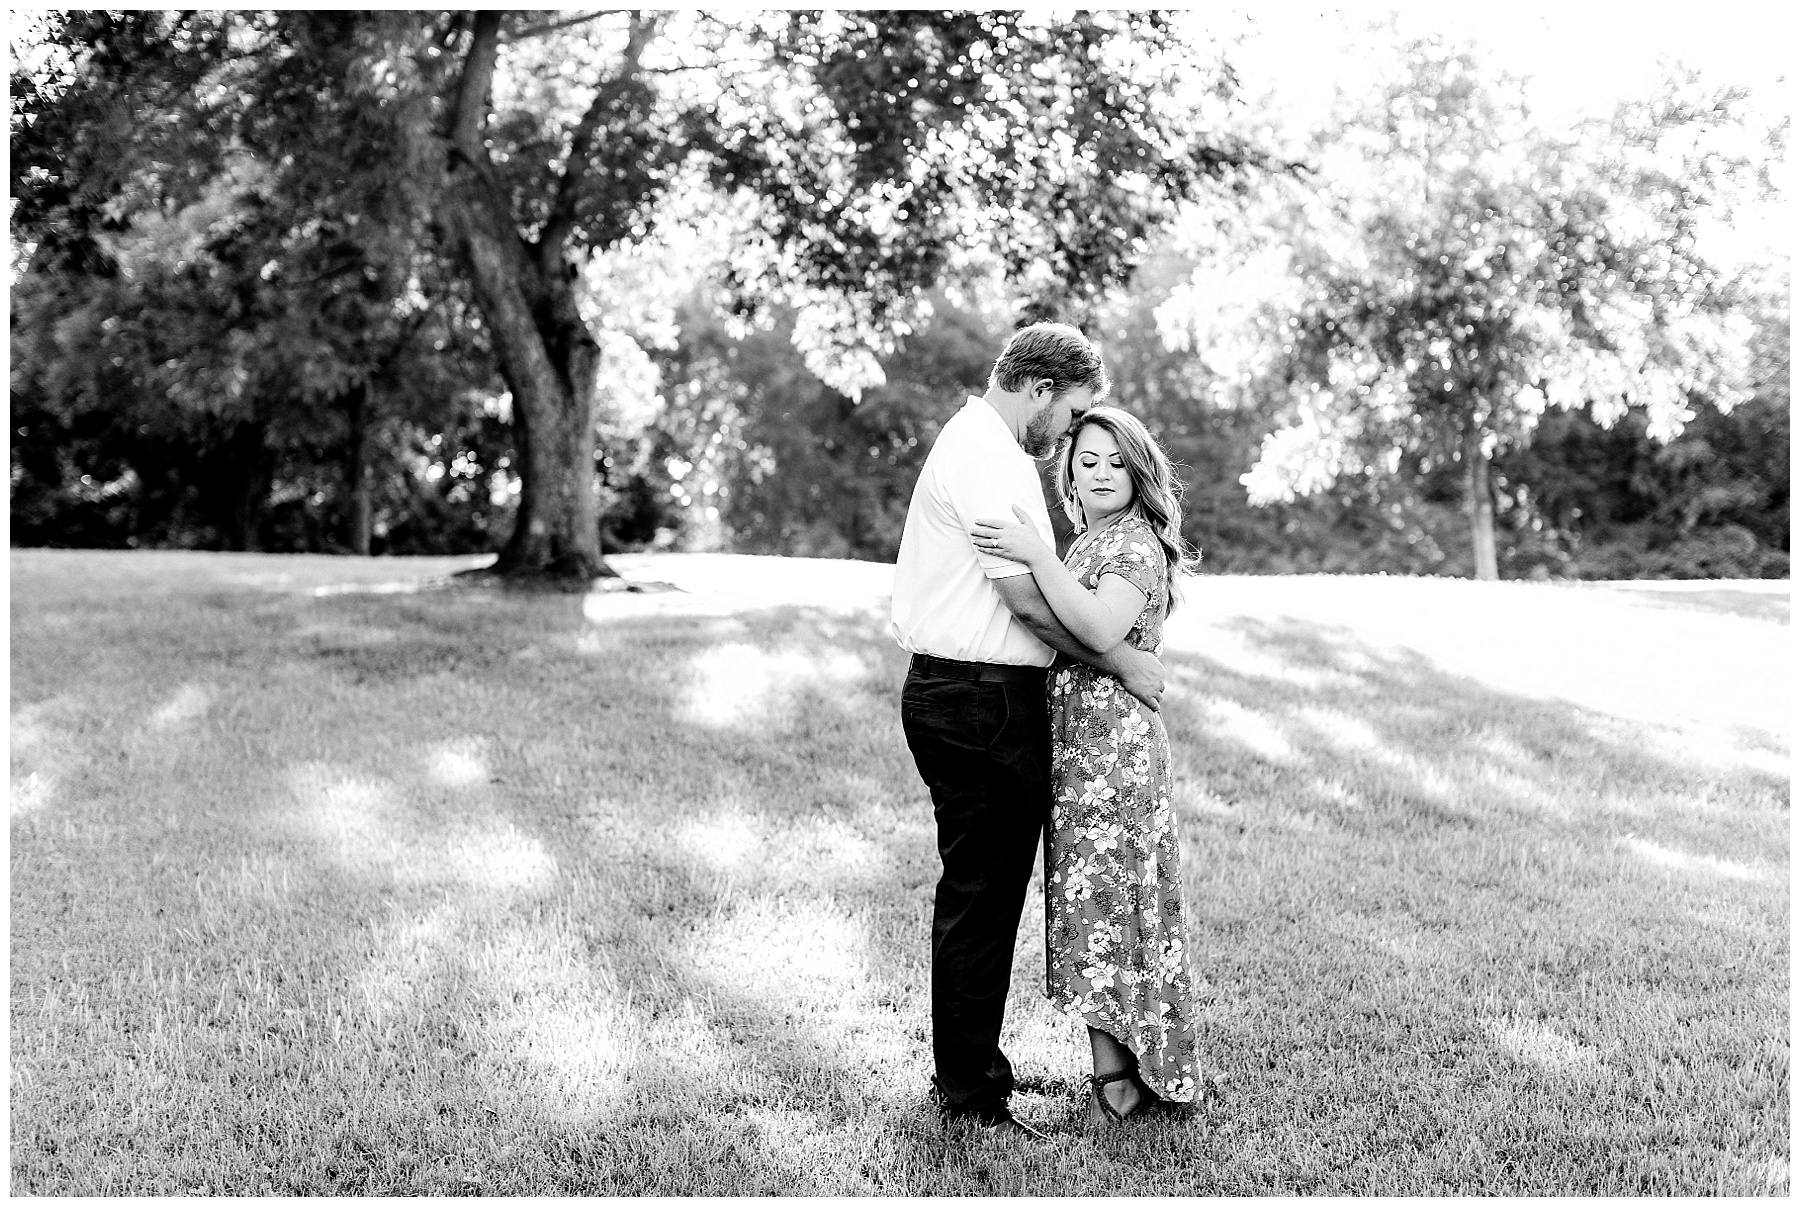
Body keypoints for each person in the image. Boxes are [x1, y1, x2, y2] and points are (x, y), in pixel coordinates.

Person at [890, 323, 1167, 1141]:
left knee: (986, 893)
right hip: (976, 700)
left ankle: (974, 1073)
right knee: (980, 897)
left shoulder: (994, 450)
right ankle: (971, 1093)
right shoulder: (983, 452)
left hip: (987, 697)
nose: (1071, 431)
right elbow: (1026, 602)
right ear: (1042, 390)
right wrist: (1122, 659)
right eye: (1075, 409)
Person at [971, 405, 1205, 1125]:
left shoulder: (1132, 545)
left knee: (1108, 909)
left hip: (1114, 756)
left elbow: (1100, 627)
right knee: (1095, 911)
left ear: (1140, 474)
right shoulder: (1089, 539)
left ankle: (1122, 1081)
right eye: (1087, 460)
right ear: (1068, 469)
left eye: (1115, 462)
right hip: (1080, 750)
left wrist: (1035, 555)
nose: (1100, 473)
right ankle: (1123, 1069)